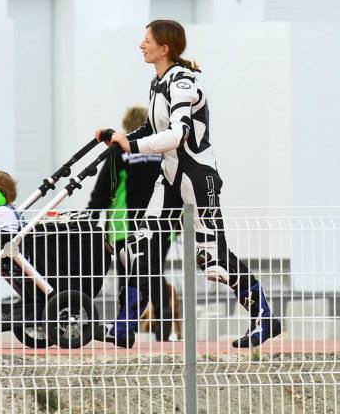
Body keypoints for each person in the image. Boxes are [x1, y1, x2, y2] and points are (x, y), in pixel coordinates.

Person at [96, 19, 282, 349]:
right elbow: (153, 128)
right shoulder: (158, 82)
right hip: (169, 177)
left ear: (164, 48)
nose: (141, 45)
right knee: (143, 249)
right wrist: (120, 137)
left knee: (213, 259)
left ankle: (265, 318)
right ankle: (125, 328)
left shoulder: (183, 82)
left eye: (147, 40)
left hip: (196, 177)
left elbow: (178, 134)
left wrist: (133, 146)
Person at [87, 105, 178, 340]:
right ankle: (163, 316)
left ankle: (126, 325)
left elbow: (102, 191)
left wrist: (91, 220)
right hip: (161, 225)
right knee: (154, 271)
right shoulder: (163, 152)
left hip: (124, 226)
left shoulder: (120, 153)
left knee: (127, 274)